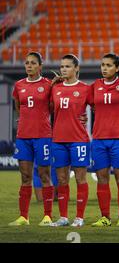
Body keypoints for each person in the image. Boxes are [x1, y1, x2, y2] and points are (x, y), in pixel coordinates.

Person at [9, 52, 54, 226]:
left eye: (33, 63)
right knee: (25, 176)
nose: (29, 66)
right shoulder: (19, 85)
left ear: (40, 66)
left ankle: (47, 216)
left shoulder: (48, 85)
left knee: (44, 175)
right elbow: (18, 107)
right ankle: (23, 217)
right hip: (23, 137)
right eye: (27, 63)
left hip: (43, 136)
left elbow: (52, 108)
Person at [90, 53, 119, 227]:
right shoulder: (95, 86)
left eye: (108, 65)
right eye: (102, 65)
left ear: (117, 68)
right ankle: (105, 217)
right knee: (102, 178)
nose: (104, 68)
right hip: (99, 139)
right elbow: (79, 101)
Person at [49, 54, 91, 227]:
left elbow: (98, 108)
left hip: (79, 139)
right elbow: (49, 110)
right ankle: (63, 217)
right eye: (62, 66)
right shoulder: (55, 88)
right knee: (62, 179)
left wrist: (86, 119)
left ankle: (79, 217)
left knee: (80, 178)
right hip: (58, 139)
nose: (63, 69)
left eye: (67, 66)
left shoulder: (85, 89)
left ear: (76, 68)